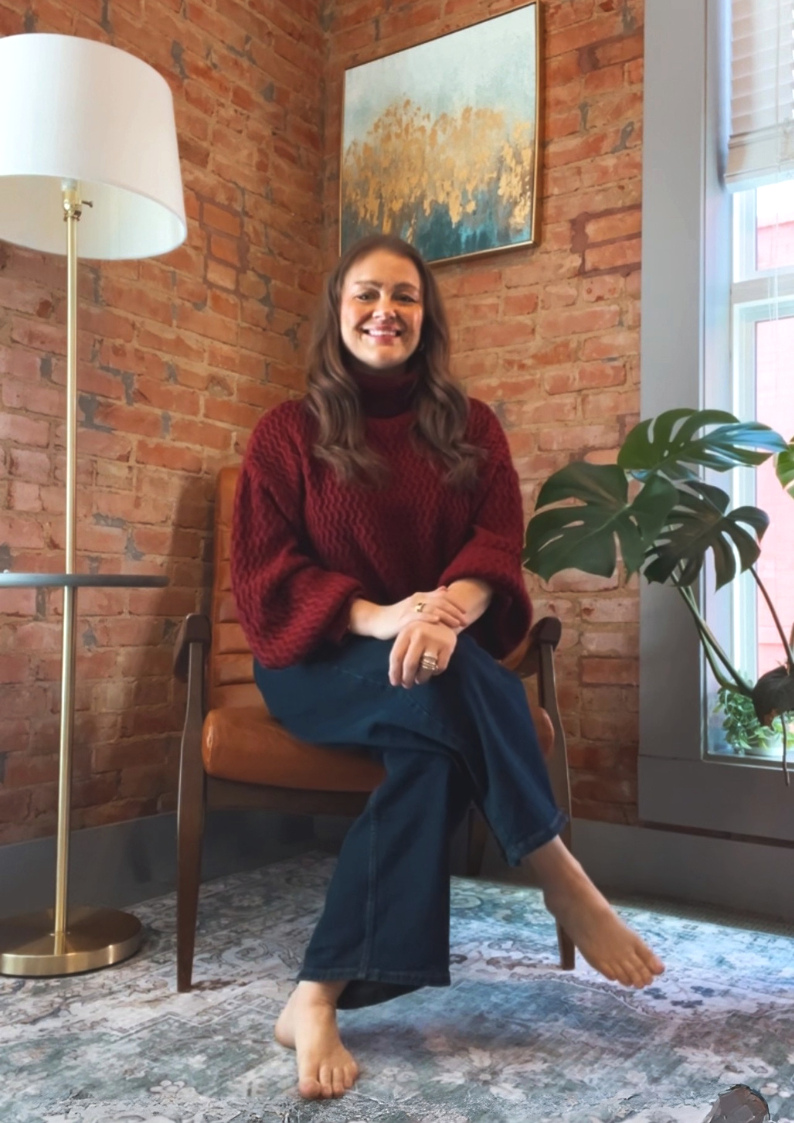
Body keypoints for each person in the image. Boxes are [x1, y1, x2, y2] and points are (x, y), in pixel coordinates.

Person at [231, 233, 664, 1102]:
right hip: (318, 656)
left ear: (426, 317)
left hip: (438, 649)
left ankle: (313, 997)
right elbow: (264, 575)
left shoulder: (471, 427)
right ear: (337, 311)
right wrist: (383, 613)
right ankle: (561, 876)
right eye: (365, 295)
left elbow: (495, 542)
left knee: (438, 733)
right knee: (468, 686)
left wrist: (448, 610)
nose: (384, 310)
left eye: (404, 296)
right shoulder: (287, 433)